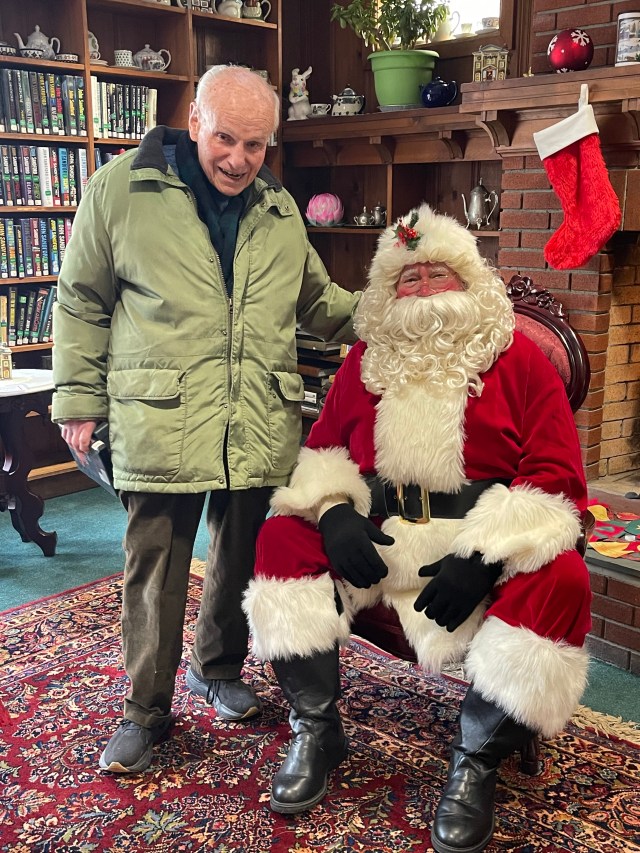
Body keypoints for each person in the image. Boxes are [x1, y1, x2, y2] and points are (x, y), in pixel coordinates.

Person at [242, 204, 592, 852]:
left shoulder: (520, 361)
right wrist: (336, 511)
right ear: (390, 291)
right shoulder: (365, 360)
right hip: (379, 544)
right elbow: (322, 450)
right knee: (279, 537)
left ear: (467, 281)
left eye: (438, 273)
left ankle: (475, 760)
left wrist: (484, 556)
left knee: (564, 577)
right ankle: (317, 728)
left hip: (473, 548)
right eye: (410, 277)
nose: (425, 289)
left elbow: (556, 480)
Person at [51, 65, 359, 775]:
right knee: (155, 563)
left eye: (256, 145)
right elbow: (81, 300)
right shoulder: (121, 189)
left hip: (256, 412)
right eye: (226, 138)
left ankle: (216, 668)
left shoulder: (279, 209)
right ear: (194, 121)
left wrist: (399, 303)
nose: (239, 159)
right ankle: (145, 710)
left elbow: (320, 303)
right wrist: (79, 402)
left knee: (240, 553)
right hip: (161, 413)